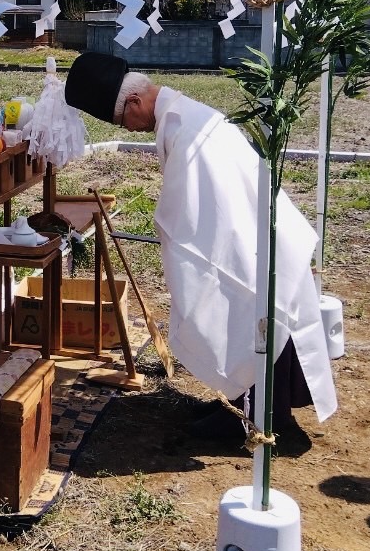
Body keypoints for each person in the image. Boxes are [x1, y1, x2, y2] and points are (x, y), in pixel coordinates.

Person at [63, 52, 337, 444]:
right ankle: (243, 402)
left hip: (246, 238)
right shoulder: (181, 113)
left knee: (246, 311)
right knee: (248, 313)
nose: (131, 128)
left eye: (124, 120)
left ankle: (261, 420)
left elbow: (192, 206)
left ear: (136, 102)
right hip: (251, 229)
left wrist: (173, 233)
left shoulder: (186, 129)